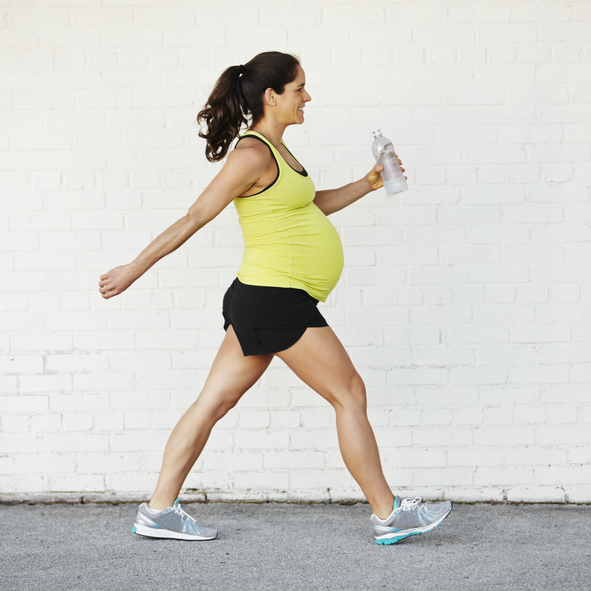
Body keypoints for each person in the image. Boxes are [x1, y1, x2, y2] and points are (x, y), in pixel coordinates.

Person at [99, 51, 452, 545]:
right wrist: (133, 270)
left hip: (263, 297)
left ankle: (158, 511)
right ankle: (388, 514)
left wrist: (370, 183)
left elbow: (308, 207)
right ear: (272, 96)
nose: (307, 97)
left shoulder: (278, 150)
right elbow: (195, 217)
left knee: (212, 402)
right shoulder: (252, 155)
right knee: (348, 393)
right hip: (274, 298)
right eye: (300, 88)